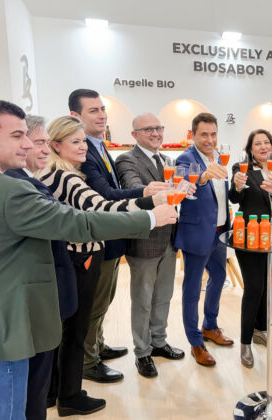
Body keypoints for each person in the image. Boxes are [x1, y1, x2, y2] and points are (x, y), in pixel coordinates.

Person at [0, 99, 175, 419]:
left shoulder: (10, 180)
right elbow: (79, 220)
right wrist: (151, 215)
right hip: (7, 320)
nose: (29, 145)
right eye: (19, 136)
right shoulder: (11, 187)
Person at [37, 115, 177, 416]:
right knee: (76, 329)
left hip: (70, 257)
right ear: (55, 145)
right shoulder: (66, 177)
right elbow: (103, 209)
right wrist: (151, 209)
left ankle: (54, 392)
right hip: (81, 257)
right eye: (75, 142)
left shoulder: (52, 173)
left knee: (67, 329)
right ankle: (70, 397)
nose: (83, 147)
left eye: (83, 141)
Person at [68, 89, 167, 383]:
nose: (101, 115)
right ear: (75, 116)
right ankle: (88, 362)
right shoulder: (83, 151)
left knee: (104, 300)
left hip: (110, 238)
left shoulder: (98, 146)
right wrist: (146, 193)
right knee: (94, 304)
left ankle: (97, 346)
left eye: (102, 109)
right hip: (96, 237)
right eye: (93, 110)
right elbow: (105, 195)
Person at [5, 115, 78, 419]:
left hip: (39, 295)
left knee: (37, 379)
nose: (45, 149)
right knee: (33, 382)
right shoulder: (19, 184)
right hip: (36, 298)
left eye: (46, 142)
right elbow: (71, 223)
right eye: (38, 142)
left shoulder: (27, 180)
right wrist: (148, 214)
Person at [115, 113, 186, 378]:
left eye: (158, 128)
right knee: (143, 299)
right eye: (148, 129)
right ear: (134, 135)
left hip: (169, 237)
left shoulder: (167, 160)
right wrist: (169, 190)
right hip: (144, 238)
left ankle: (158, 341)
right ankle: (142, 352)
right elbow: (136, 189)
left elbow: (174, 193)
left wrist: (184, 189)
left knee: (164, 296)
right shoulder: (126, 160)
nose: (156, 133)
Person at [174, 112, 233, 367]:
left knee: (219, 278)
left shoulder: (220, 156)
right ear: (193, 135)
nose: (209, 139)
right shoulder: (185, 158)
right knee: (192, 289)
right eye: (204, 134)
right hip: (197, 233)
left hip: (220, 231)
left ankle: (210, 325)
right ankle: (195, 342)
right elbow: (183, 181)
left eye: (213, 134)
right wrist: (203, 176)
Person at [229, 129, 272, 368]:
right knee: (254, 288)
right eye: (257, 143)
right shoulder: (242, 170)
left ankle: (261, 330)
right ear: (250, 149)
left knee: (268, 286)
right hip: (248, 235)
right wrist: (238, 186)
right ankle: (245, 342)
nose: (263, 147)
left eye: (266, 142)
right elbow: (234, 197)